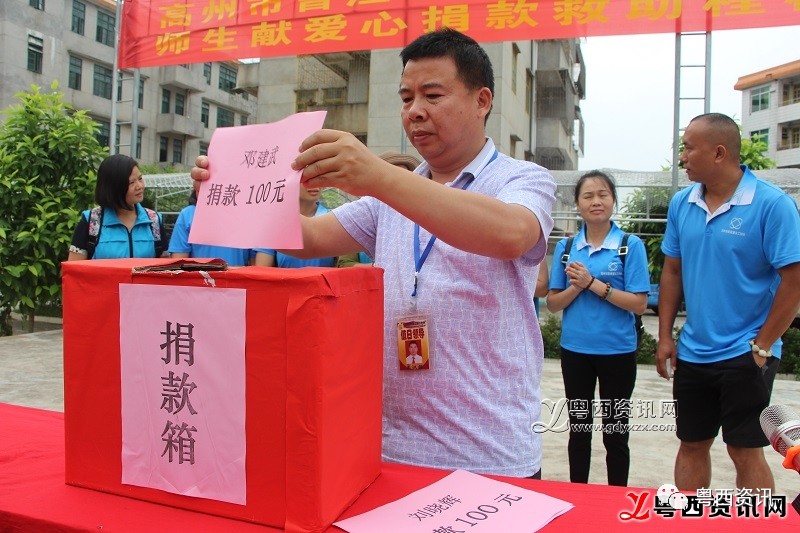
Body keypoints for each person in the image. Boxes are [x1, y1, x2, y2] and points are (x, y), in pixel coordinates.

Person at [192, 28, 556, 477]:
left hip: (490, 452)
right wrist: (231, 189)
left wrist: (377, 176)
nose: (414, 111)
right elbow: (305, 239)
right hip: (390, 448)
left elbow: (511, 234)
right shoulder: (389, 200)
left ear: (482, 100)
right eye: (406, 98)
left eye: (432, 95)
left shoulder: (524, 179)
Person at [656, 112, 800, 491]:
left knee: (744, 449)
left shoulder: (772, 205)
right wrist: (666, 336)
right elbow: (672, 272)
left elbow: (794, 281)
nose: (682, 157)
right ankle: (691, 523)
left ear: (719, 153)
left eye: (689, 148)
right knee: (691, 443)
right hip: (693, 352)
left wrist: (763, 346)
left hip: (747, 351)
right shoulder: (681, 204)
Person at [546, 170, 650, 486]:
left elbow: (639, 303)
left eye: (603, 194)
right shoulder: (566, 248)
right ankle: (580, 494)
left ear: (613, 201)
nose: (596, 201)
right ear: (577, 204)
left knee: (615, 432)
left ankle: (616, 498)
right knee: (579, 429)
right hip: (575, 352)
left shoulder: (630, 246)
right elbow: (553, 303)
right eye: (588, 196)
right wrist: (578, 287)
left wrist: (592, 283)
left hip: (618, 352)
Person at [68, 154, 166, 260]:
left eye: (140, 179)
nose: (140, 186)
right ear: (114, 187)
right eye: (131, 182)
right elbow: (75, 270)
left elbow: (166, 267)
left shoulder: (154, 220)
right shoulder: (91, 221)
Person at [337, 151, 419, 268]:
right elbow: (344, 263)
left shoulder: (420, 218)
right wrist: (377, 267)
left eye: (404, 179)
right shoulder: (364, 214)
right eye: (392, 180)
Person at [168, 182, 252, 266]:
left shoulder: (247, 215)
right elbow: (179, 262)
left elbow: (256, 264)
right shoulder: (188, 214)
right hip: (201, 278)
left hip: (235, 277)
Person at [253, 185, 337, 267]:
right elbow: (262, 268)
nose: (314, 184)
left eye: (319, 179)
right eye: (306, 179)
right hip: (285, 280)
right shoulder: (274, 223)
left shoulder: (334, 221)